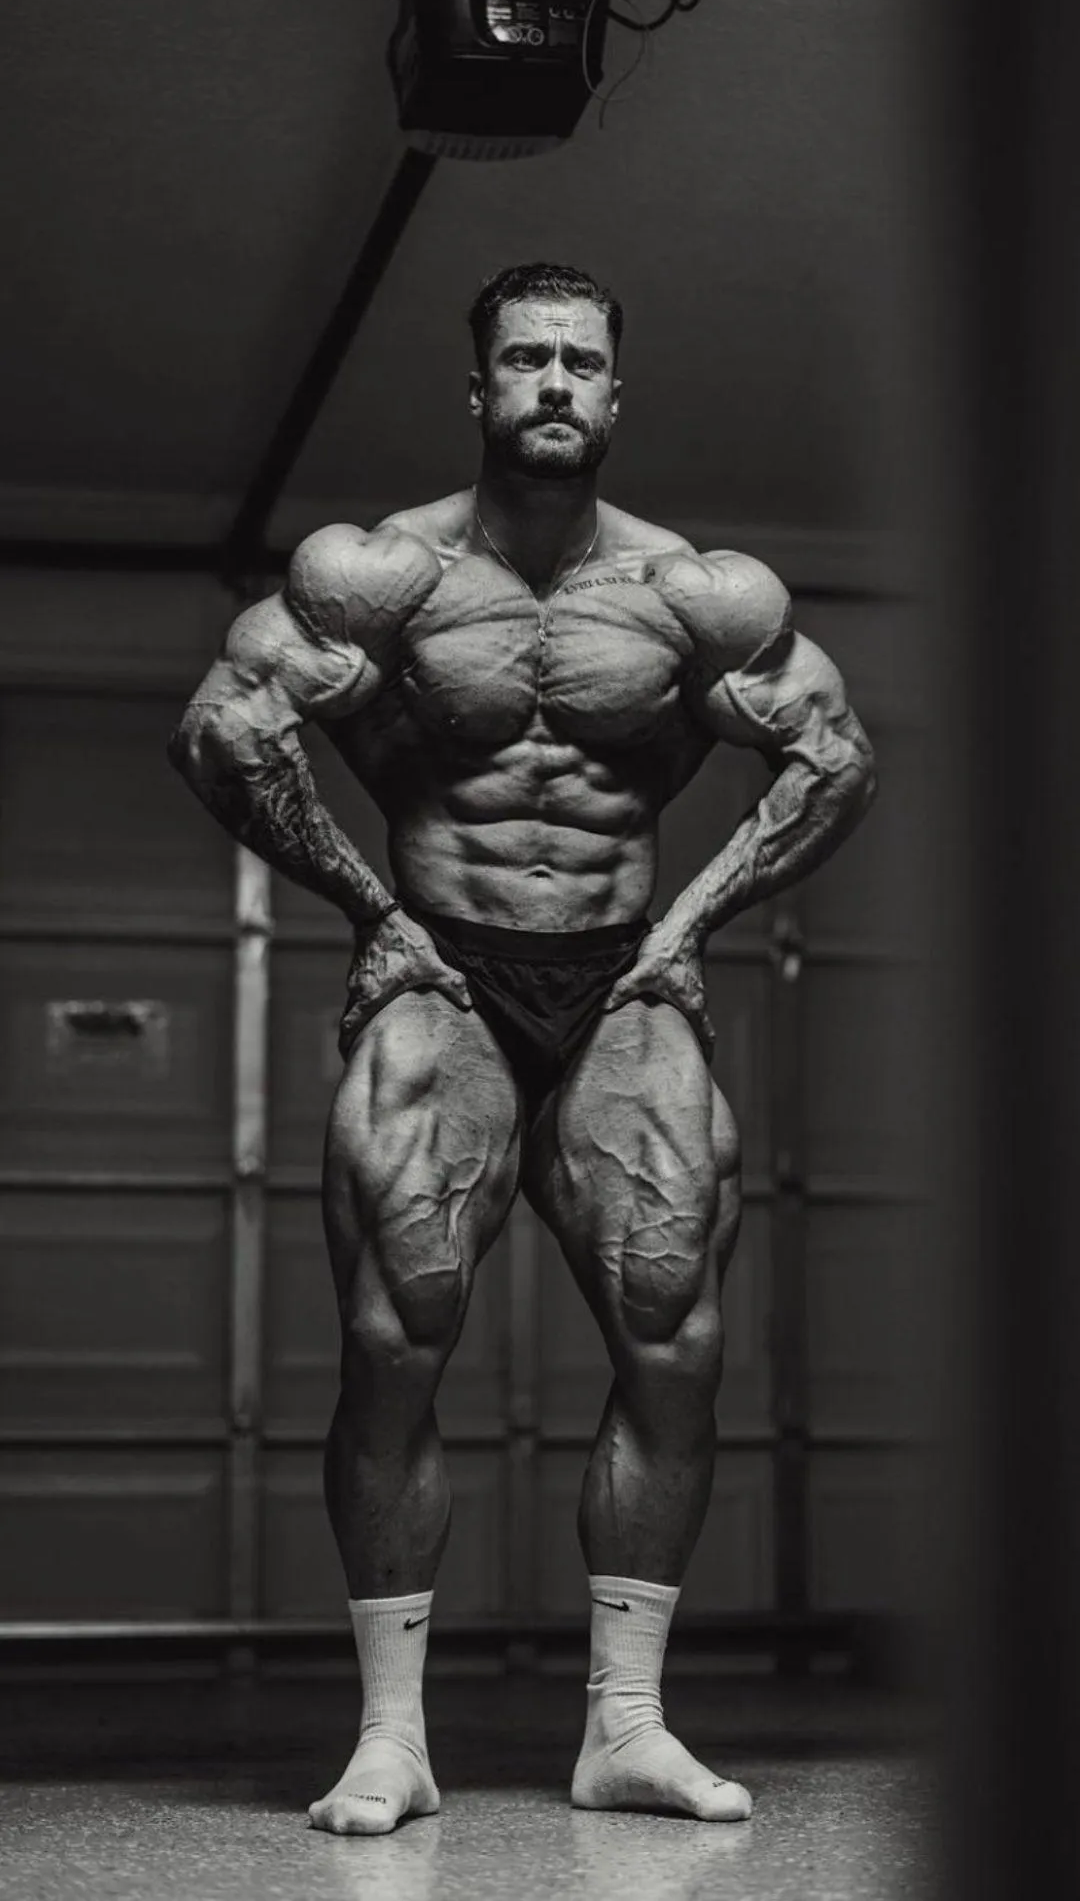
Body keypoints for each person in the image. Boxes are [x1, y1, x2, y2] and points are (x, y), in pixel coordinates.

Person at [169, 263, 876, 1834]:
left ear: (618, 399)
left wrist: (689, 924)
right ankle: (393, 1738)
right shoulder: (384, 580)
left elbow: (834, 757)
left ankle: (625, 1724)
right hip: (444, 965)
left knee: (674, 1335)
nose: (553, 382)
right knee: (392, 1333)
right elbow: (225, 732)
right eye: (524, 359)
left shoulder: (700, 597)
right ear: (478, 390)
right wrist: (370, 910)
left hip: (625, 977)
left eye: (581, 363)